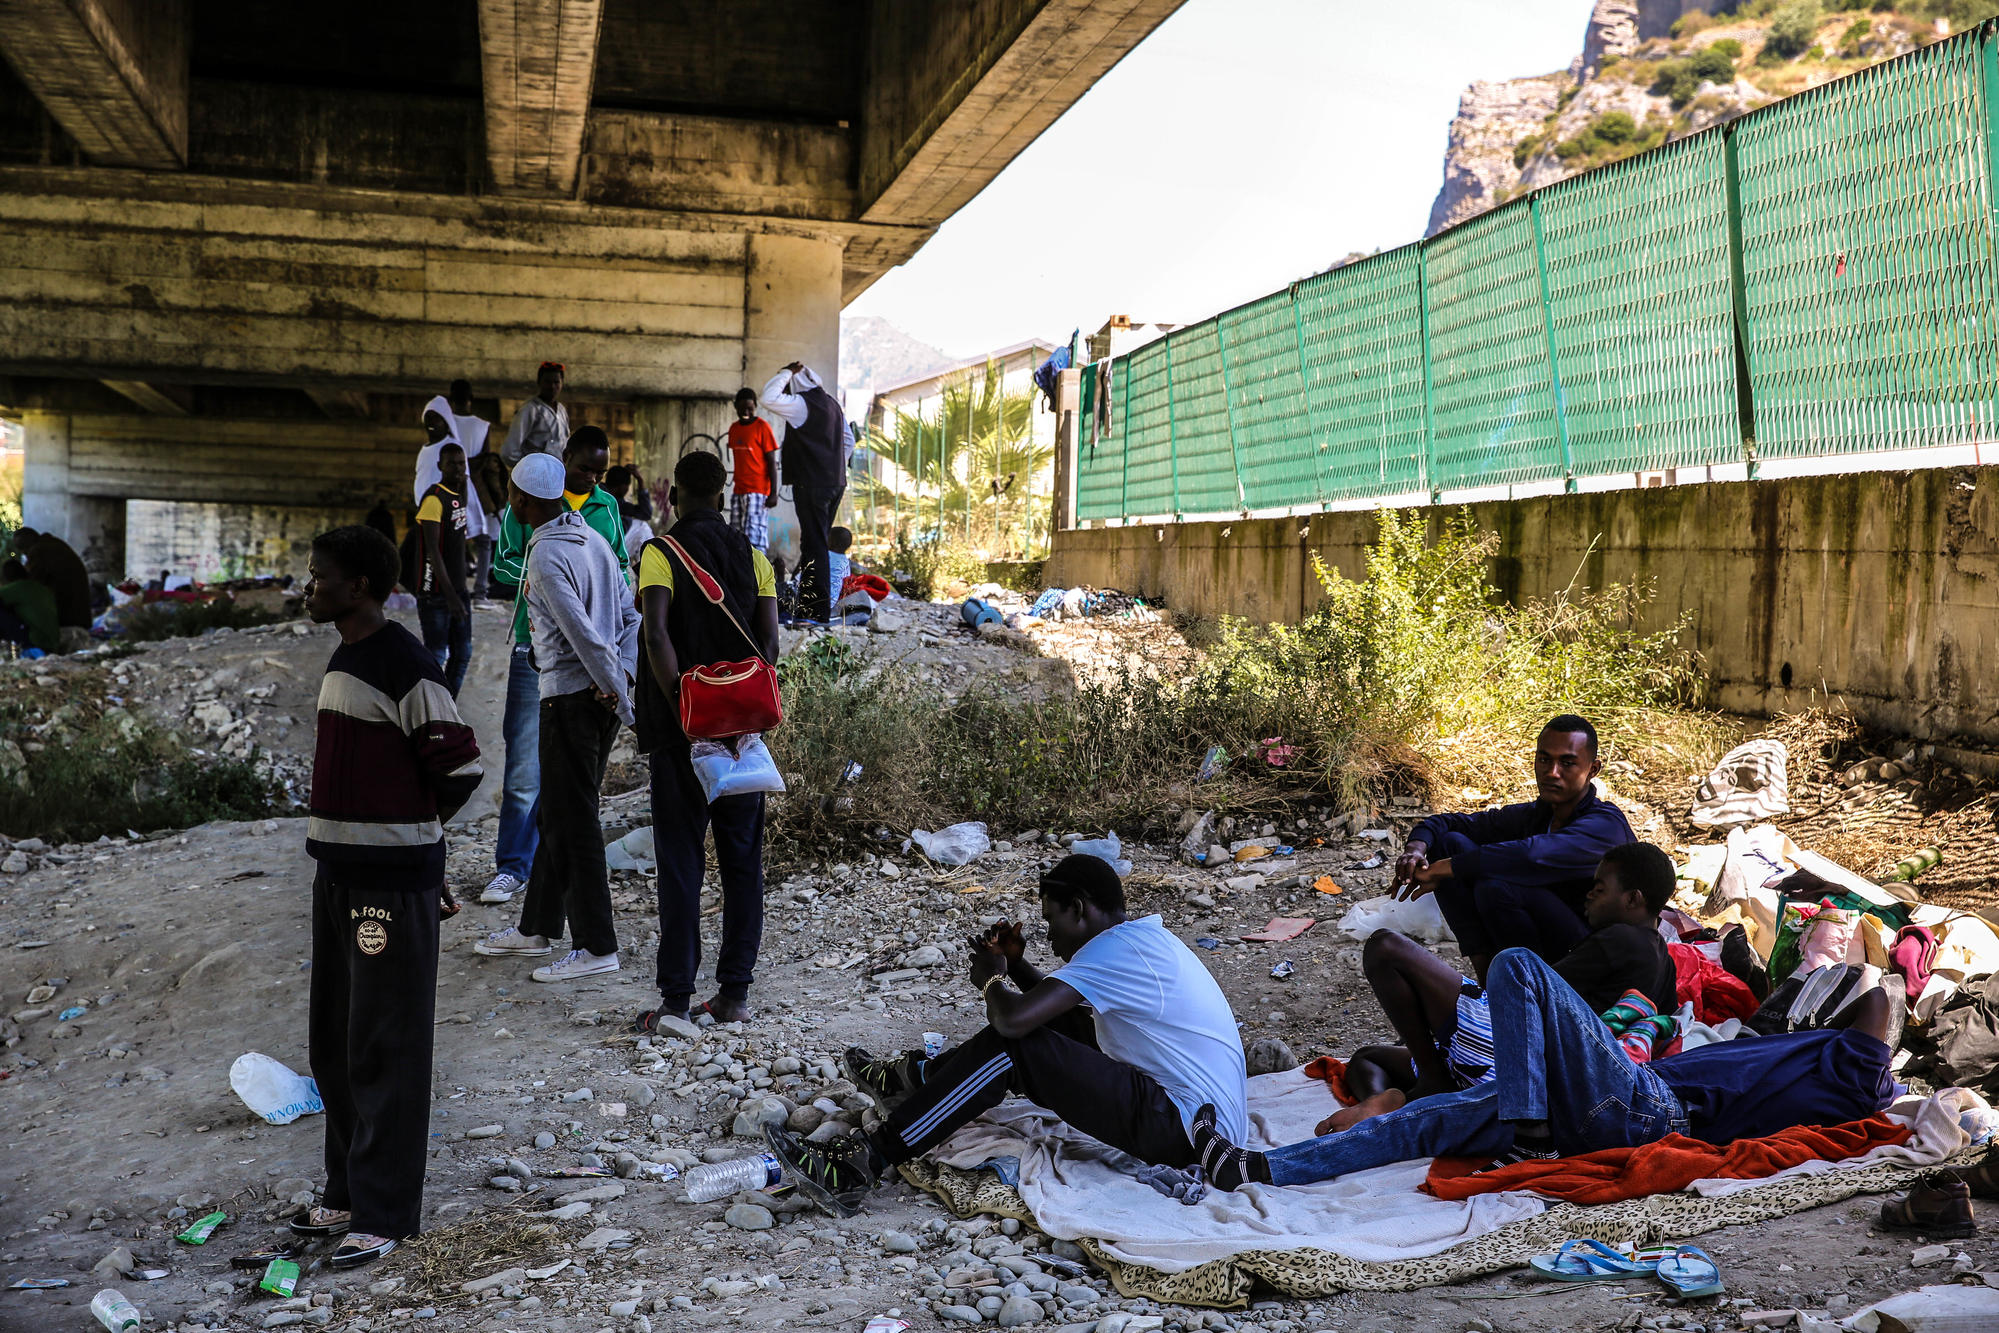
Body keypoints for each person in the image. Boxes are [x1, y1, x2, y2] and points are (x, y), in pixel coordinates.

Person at [765, 855, 1249, 1216]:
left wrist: (993, 978)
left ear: (1078, 909)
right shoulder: (1140, 941)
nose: (1051, 937)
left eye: (1051, 921)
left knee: (1016, 1046)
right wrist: (1015, 966)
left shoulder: (1117, 951)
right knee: (1050, 1029)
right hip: (1202, 1123)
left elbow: (1014, 1023)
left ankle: (865, 1162)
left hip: (1190, 1133)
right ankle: (911, 1078)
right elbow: (1053, 1013)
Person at [1190, 946, 1898, 1192]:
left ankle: (1526, 1128)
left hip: (1649, 1111)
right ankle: (1258, 1169)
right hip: (1611, 1107)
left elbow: (1879, 993)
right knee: (1423, 1121)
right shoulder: (1818, 1058)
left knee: (1516, 966)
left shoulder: (1854, 1068)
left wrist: (1852, 1004)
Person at [294, 524, 482, 1267]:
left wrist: (418, 858)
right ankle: (345, 1190)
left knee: (386, 1046)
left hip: (387, 886)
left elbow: (458, 770)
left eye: (319, 575)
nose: (310, 586)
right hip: (337, 878)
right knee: (337, 1043)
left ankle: (385, 1212)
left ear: (360, 587)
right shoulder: (347, 654)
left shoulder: (406, 660)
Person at [1334, 842, 1681, 1132]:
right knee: (1366, 1058)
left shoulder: (1619, 938)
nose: (1588, 895)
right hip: (1548, 1079)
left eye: (1599, 888)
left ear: (1633, 899)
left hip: (1517, 1056)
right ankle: (1393, 1107)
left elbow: (1520, 993)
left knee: (1385, 947)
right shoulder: (1665, 961)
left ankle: (1430, 1081)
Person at [473, 453, 639, 983]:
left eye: (512, 496)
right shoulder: (593, 540)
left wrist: (618, 689)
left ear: (521, 500)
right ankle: (536, 927)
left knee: (576, 822)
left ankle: (596, 946)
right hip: (598, 698)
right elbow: (628, 618)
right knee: (556, 812)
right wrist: (624, 678)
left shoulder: (545, 556)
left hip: (569, 701)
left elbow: (581, 635)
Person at [630, 451, 780, 1031]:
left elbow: (656, 635)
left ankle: (674, 1001)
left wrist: (685, 713)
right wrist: (737, 715)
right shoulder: (754, 557)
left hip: (678, 736)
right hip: (740, 735)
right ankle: (734, 996)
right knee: (743, 863)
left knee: (680, 863)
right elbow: (768, 646)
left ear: (674, 496)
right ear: (721, 494)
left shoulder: (659, 553)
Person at [1396, 714, 1634, 975]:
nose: (1552, 772)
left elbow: (1532, 855)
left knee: (1497, 886)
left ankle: (1529, 988)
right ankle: (1487, 975)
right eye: (1544, 759)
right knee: (1450, 842)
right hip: (1547, 936)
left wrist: (1444, 869)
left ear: (1593, 769)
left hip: (1596, 953)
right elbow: (1454, 824)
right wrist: (1415, 850)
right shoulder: (1537, 814)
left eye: (1567, 763)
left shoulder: (1605, 825)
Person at [761, 362, 846, 625]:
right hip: (835, 483)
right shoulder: (833, 405)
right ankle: (809, 607)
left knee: (814, 545)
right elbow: (850, 441)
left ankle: (815, 613)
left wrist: (785, 372)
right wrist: (832, 467)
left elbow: (768, 398)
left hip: (813, 484)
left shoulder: (802, 404)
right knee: (815, 543)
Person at [414, 406, 474, 696]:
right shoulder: (434, 499)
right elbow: (432, 553)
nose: (458, 469)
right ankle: (429, 709)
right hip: (437, 594)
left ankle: (445, 708)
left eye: (461, 463)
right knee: (436, 656)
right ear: (440, 466)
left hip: (457, 591)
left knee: (463, 654)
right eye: (452, 464)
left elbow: (457, 540)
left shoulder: (457, 495)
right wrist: (451, 597)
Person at [447, 378, 499, 600]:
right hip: (476, 486)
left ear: (450, 399)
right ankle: (480, 591)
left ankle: (453, 587)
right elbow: (486, 460)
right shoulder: (482, 426)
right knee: (483, 539)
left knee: (453, 537)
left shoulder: (445, 424)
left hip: (449, 485)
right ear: (472, 399)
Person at [725, 386, 779, 552]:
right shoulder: (734, 429)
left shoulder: (763, 427)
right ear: (736, 408)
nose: (746, 412)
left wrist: (773, 493)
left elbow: (772, 462)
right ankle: (739, 573)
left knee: (754, 538)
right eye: (742, 408)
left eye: (750, 408)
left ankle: (757, 575)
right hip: (739, 490)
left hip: (758, 491)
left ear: (755, 406)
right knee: (736, 536)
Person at [6, 527, 91, 630]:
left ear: (29, 543)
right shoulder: (55, 544)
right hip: (81, 615)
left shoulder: (39, 550)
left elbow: (30, 586)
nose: (24, 553)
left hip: (68, 618)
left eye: (22, 548)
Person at [502, 362, 571, 465]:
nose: (552, 387)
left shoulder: (561, 410)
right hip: (537, 474)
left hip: (558, 473)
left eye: (556, 382)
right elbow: (509, 452)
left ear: (562, 383)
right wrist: (528, 468)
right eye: (547, 382)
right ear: (539, 382)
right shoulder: (530, 410)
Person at [0, 558, 58, 654]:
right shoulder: (40, 587)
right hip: (53, 641)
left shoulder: (16, 588)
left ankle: (20, 647)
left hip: (36, 641)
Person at [604, 465, 654, 564]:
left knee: (641, 526)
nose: (627, 489)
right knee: (642, 527)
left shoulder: (617, 500)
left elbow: (645, 513)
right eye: (627, 485)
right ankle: (649, 569)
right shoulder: (606, 497)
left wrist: (640, 480)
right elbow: (646, 513)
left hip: (611, 541)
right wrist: (640, 479)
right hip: (608, 544)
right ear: (622, 486)